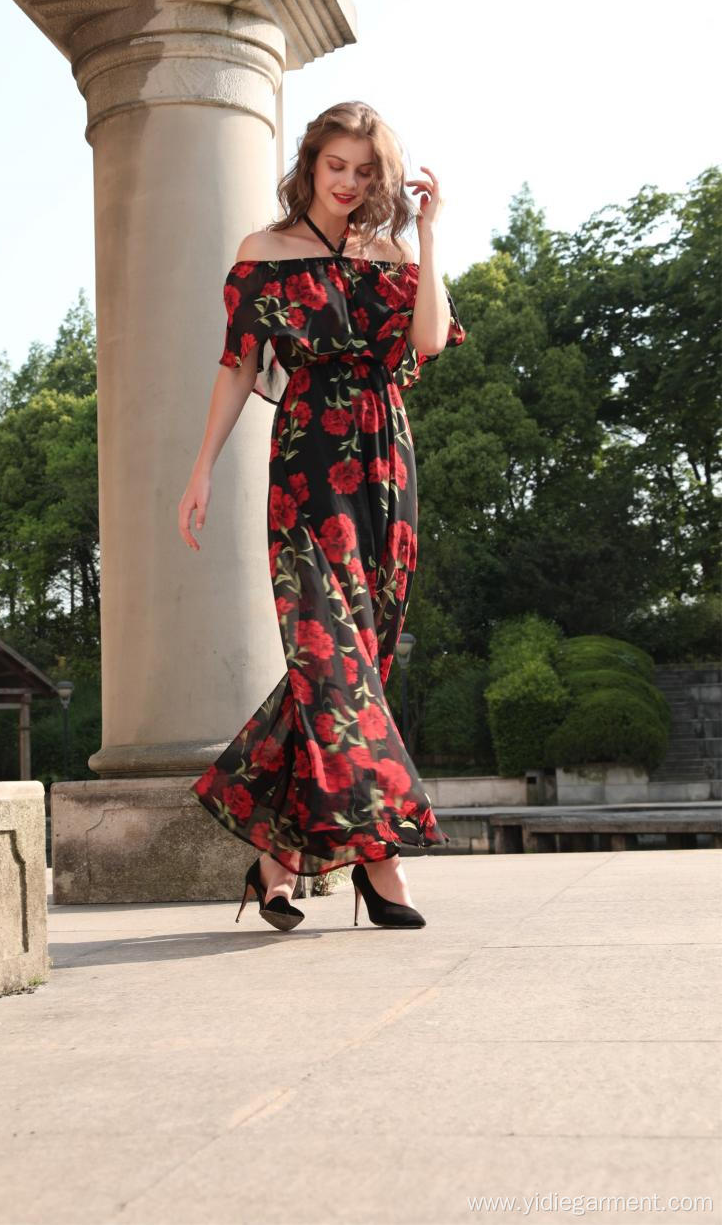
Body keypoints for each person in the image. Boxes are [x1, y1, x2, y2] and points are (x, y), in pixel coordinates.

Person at [177, 101, 467, 932]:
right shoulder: (263, 255)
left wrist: (432, 235)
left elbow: (431, 340)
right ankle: (382, 864)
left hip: (387, 468)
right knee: (330, 659)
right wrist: (201, 468)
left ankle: (273, 862)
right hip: (308, 466)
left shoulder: (389, 253)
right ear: (309, 165)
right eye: (336, 165)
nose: (349, 182)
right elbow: (237, 369)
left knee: (349, 670)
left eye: (365, 171)